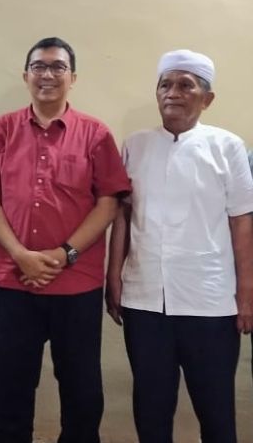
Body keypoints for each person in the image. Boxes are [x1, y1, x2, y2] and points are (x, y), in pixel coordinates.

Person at [0, 37, 130, 443]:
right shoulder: (3, 129)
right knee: (7, 389)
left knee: (82, 391)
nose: (48, 75)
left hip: (76, 283)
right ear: (26, 75)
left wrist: (64, 254)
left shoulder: (95, 134)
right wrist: (20, 255)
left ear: (72, 77)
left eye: (58, 67)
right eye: (39, 67)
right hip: (13, 280)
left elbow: (108, 204)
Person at [106, 49, 253, 443]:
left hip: (211, 302)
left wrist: (246, 292)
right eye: (165, 85)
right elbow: (122, 215)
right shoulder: (135, 145)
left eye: (185, 85)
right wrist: (113, 277)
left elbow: (242, 221)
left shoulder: (227, 147)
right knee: (151, 410)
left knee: (216, 412)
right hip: (144, 300)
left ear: (207, 98)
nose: (172, 93)